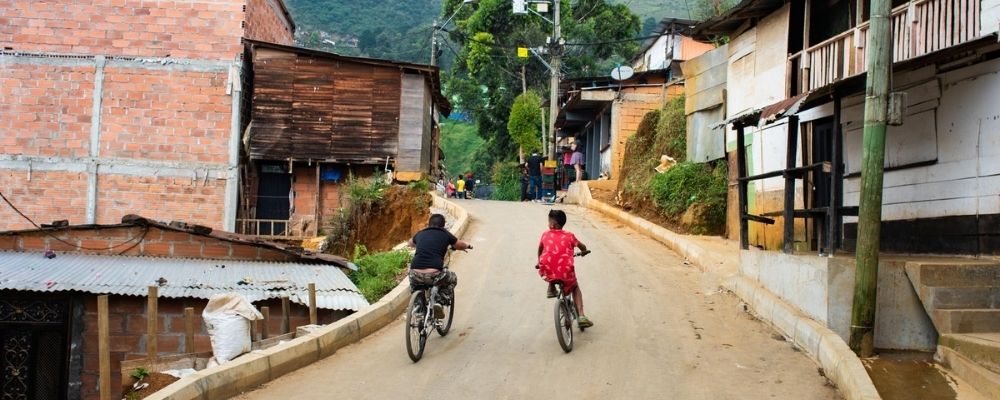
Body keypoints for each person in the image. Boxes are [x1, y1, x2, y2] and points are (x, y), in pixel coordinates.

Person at [536, 209, 593, 328]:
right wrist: (583, 251)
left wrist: (538, 262)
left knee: (550, 268)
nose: (548, 224)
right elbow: (582, 246)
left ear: (552, 224)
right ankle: (581, 315)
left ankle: (551, 287)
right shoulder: (569, 235)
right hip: (565, 271)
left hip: (546, 267)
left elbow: (540, 250)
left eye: (548, 222)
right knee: (575, 287)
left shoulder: (545, 234)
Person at [409, 214, 473, 318]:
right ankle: (440, 301)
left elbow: (410, 243)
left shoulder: (421, 233)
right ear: (443, 226)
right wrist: (468, 245)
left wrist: (420, 243)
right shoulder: (445, 234)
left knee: (415, 286)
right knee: (452, 278)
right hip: (435, 273)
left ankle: (418, 306)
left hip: (415, 273)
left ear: (429, 224)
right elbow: (459, 244)